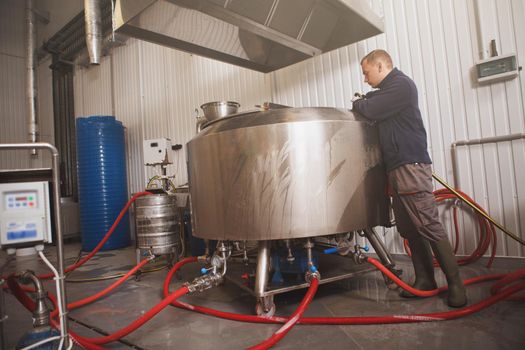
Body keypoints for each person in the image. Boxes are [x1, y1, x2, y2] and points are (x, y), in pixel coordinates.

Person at [352, 49, 467, 308]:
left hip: (410, 166)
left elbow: (369, 109)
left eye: (366, 72)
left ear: (381, 67)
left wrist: (358, 102)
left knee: (427, 224)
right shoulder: (389, 91)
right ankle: (425, 280)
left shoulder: (401, 86)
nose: (365, 78)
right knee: (409, 227)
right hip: (397, 169)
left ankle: (457, 286)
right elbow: (373, 105)